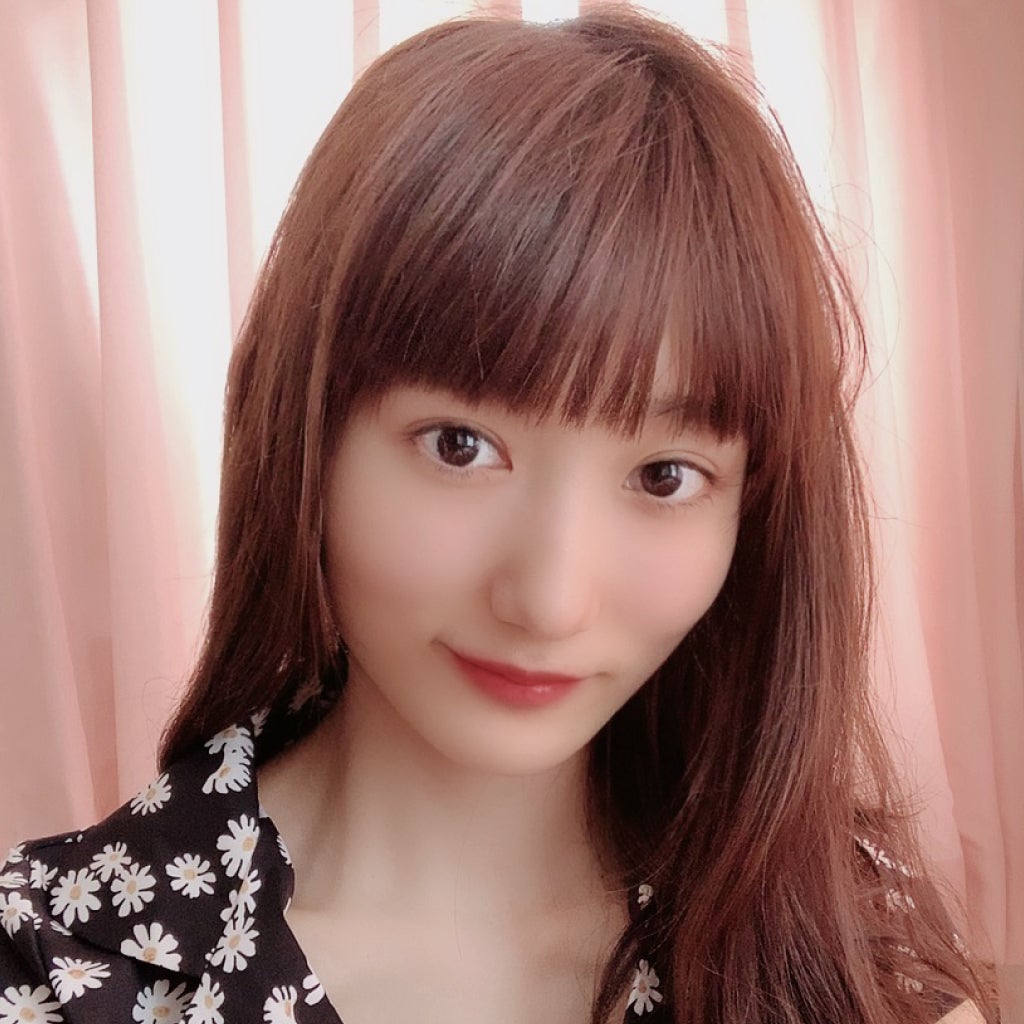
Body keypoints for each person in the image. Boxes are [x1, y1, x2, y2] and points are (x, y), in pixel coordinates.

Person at [0, 7, 998, 1023]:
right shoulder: (54, 969)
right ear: (308, 436)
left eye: (663, 476)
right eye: (459, 446)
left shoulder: (848, 955)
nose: (550, 600)